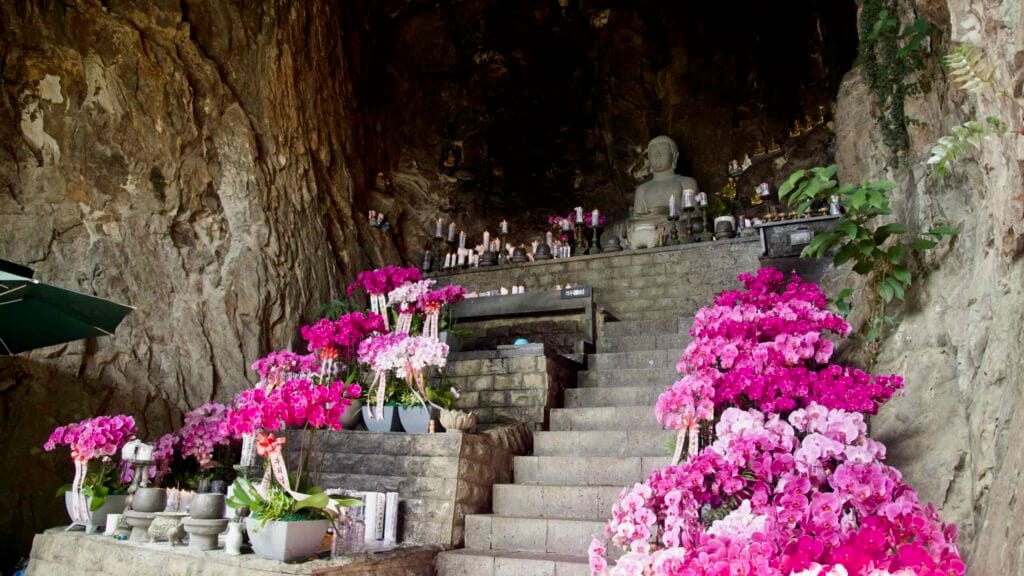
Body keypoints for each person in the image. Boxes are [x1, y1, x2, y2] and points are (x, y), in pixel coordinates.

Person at [629, 135, 700, 248]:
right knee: (612, 233)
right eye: (653, 152)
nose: (657, 154)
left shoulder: (686, 182)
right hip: (648, 227)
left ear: (674, 156)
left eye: (663, 149)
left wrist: (665, 215)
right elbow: (637, 218)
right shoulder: (642, 189)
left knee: (695, 225)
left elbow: (695, 214)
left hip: (674, 225)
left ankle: (654, 236)